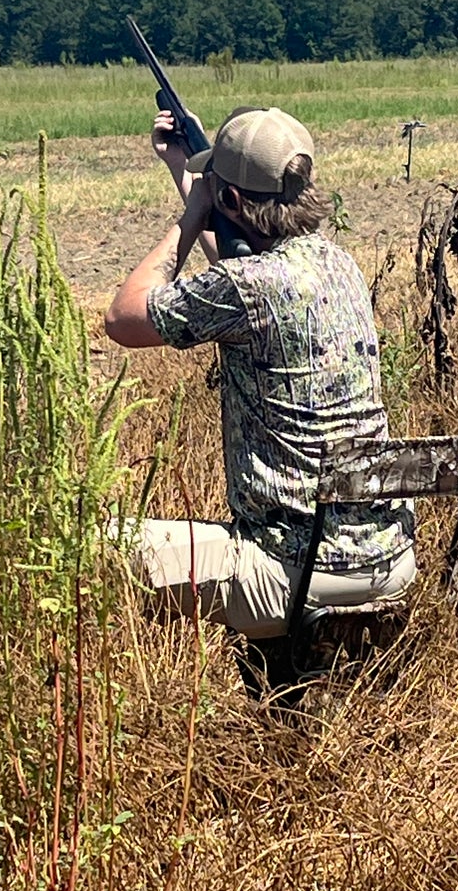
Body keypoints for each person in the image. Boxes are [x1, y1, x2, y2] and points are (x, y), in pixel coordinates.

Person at [104, 104, 416, 640]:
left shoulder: (248, 287)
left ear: (229, 200)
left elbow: (123, 317)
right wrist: (184, 171)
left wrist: (191, 212)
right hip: (389, 561)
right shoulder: (339, 264)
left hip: (290, 574)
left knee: (95, 548)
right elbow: (236, 274)